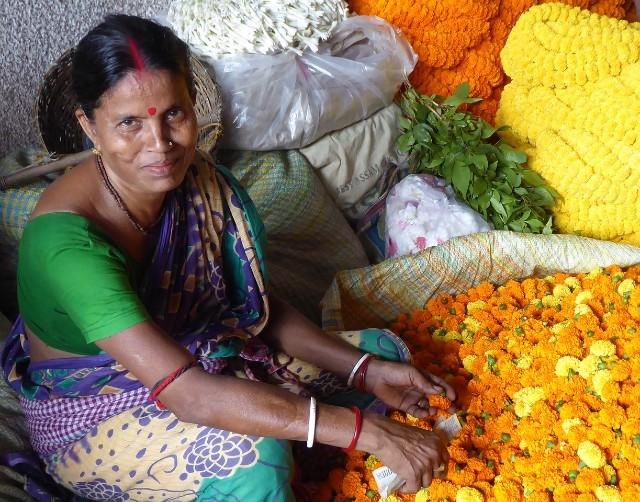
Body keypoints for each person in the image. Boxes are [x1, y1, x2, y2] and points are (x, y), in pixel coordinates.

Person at [1, 14, 454, 501]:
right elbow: (186, 392)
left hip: (208, 357)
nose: (159, 145)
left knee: (385, 358)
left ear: (194, 108)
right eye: (129, 123)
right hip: (100, 411)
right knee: (254, 459)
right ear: (89, 127)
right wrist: (370, 433)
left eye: (173, 114)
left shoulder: (197, 182)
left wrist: (364, 369)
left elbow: (254, 311)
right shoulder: (69, 244)